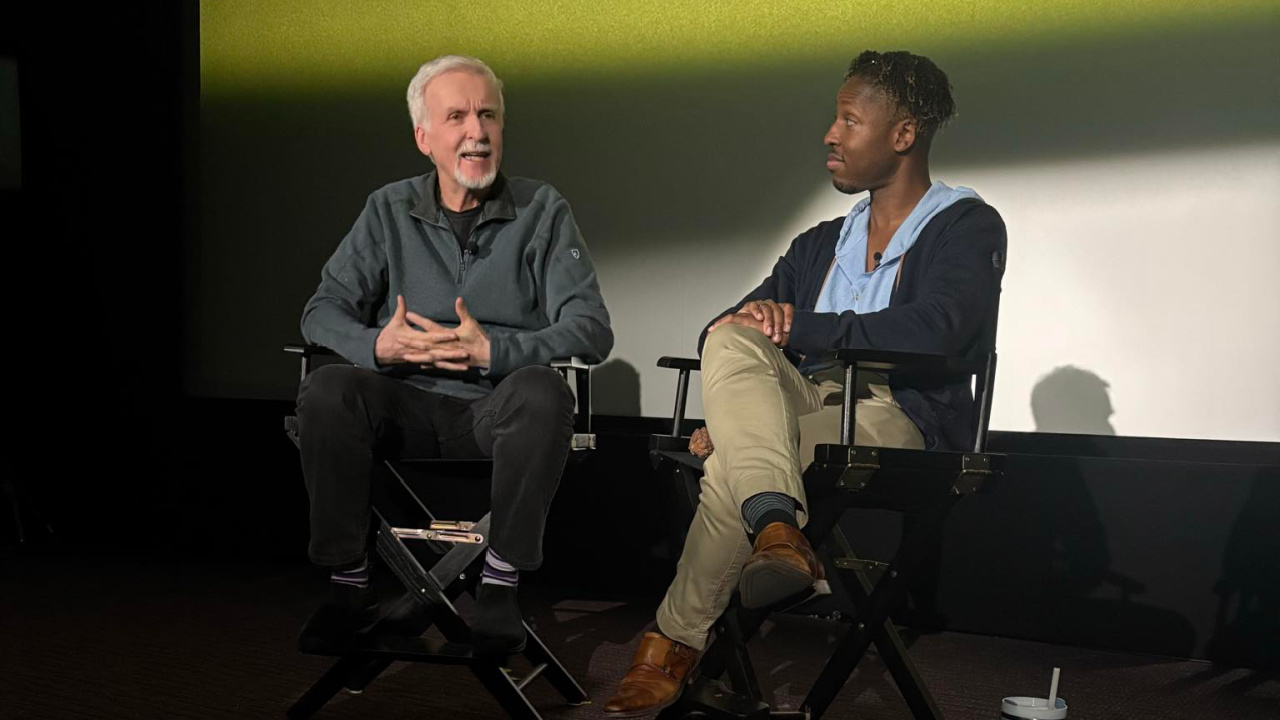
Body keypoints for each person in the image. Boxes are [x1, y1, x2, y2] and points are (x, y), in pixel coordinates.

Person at [604, 50, 1007, 716]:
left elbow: (937, 329)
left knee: (735, 459)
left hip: (899, 413)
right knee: (733, 336)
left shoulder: (965, 226)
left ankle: (675, 641)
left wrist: (800, 335)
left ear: (903, 135)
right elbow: (727, 328)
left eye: (849, 120)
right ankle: (777, 531)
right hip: (801, 407)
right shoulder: (821, 244)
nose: (830, 134)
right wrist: (755, 357)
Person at [295, 54, 612, 656]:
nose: (477, 131)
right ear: (425, 137)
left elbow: (592, 329)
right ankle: (347, 583)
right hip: (404, 404)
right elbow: (321, 310)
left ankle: (498, 586)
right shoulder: (388, 208)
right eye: (458, 116)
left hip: (494, 411)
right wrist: (377, 345)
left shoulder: (542, 209)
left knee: (545, 391)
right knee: (331, 388)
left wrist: (499, 350)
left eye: (488, 115)